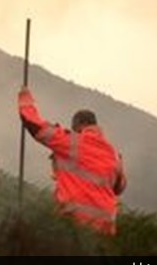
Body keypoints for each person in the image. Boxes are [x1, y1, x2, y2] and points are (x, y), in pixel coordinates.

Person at [18, 86, 127, 235]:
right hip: (105, 227)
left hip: (74, 223)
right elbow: (119, 187)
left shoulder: (72, 142)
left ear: (79, 125)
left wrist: (25, 99)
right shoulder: (114, 154)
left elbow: (35, 125)